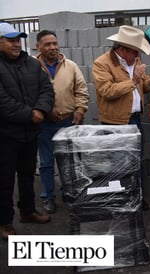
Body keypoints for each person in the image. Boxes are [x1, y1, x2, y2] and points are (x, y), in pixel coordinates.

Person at [92, 25, 150, 210]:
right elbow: (106, 91)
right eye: (135, 51)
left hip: (134, 119)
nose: (138, 54)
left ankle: (136, 196)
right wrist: (133, 80)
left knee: (136, 160)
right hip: (114, 122)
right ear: (122, 50)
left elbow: (141, 88)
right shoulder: (102, 63)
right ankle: (122, 199)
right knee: (118, 163)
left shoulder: (135, 61)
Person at [0, 22, 54, 240]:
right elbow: (2, 102)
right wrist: (30, 114)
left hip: (30, 133)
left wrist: (41, 109)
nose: (16, 44)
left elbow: (47, 89)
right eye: (11, 40)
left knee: (27, 175)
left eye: (18, 40)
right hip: (5, 135)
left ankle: (28, 211)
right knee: (4, 181)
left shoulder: (31, 64)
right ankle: (4, 221)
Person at [36, 30, 89, 214]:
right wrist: (46, 110)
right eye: (48, 44)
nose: (53, 47)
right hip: (43, 123)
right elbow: (29, 94)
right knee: (46, 162)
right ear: (39, 47)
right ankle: (48, 197)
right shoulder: (32, 67)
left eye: (55, 43)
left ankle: (68, 193)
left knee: (68, 162)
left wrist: (80, 110)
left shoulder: (71, 66)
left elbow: (81, 90)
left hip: (67, 122)